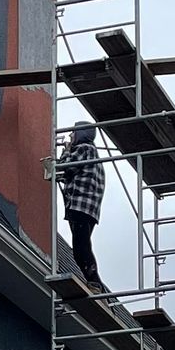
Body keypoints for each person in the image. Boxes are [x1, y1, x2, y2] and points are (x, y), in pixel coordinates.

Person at [58, 120, 104, 282]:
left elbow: (65, 168)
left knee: (80, 247)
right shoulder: (92, 152)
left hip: (80, 206)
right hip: (88, 208)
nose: (71, 135)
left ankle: (95, 282)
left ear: (80, 134)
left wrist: (65, 151)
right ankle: (94, 282)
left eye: (73, 132)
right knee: (82, 245)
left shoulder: (84, 148)